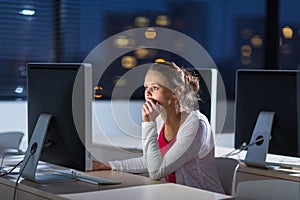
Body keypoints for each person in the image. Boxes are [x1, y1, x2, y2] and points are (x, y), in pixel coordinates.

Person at [93, 61, 225, 194]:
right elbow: (151, 161)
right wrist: (108, 165)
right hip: (175, 195)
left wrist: (148, 123)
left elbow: (156, 172)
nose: (148, 93)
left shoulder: (196, 125)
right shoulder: (160, 119)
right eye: (146, 87)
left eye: (155, 87)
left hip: (202, 196)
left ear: (176, 92)